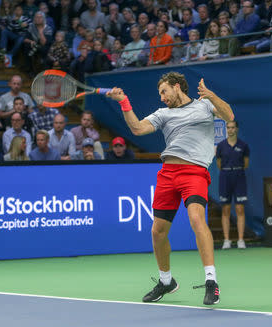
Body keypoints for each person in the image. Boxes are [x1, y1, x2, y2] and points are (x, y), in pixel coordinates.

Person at [106, 71, 235, 305]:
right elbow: (137, 128)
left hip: (195, 171)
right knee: (157, 231)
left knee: (197, 219)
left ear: (177, 87)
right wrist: (124, 102)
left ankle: (211, 282)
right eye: (160, 94)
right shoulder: (162, 113)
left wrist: (212, 96)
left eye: (164, 92)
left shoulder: (205, 105)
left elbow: (229, 115)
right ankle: (166, 281)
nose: (162, 97)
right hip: (168, 173)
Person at [216, 120, 250, 249]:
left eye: (233, 127)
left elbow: (246, 163)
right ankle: (227, 240)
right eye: (228, 128)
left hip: (239, 176)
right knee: (225, 209)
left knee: (240, 209)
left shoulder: (244, 145)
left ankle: (241, 240)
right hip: (225, 177)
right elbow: (219, 164)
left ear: (237, 129)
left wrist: (236, 169)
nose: (230, 130)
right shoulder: (221, 146)